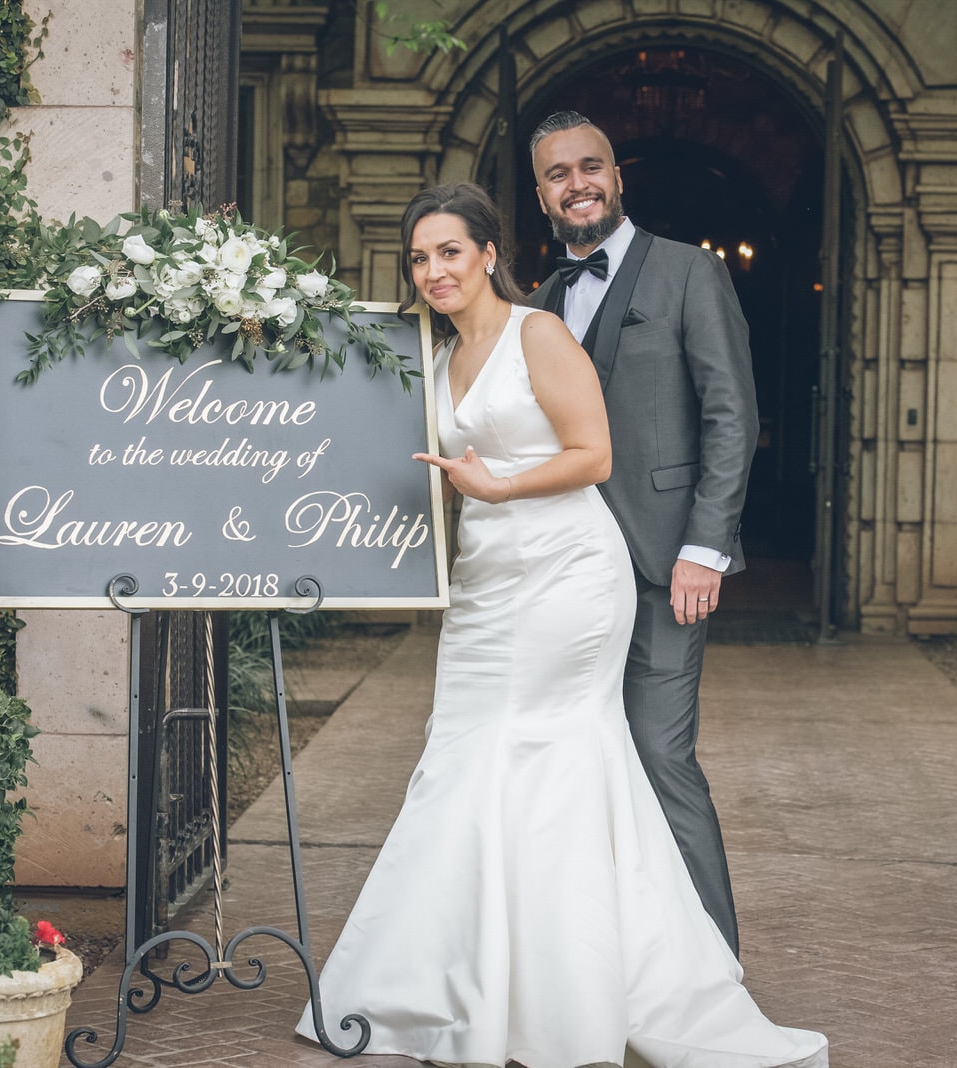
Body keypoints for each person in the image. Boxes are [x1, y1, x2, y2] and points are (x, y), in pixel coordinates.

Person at [294, 182, 826, 1068]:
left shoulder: (538, 333)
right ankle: (456, 982)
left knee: (549, 759)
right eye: (419, 258)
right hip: (486, 583)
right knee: (462, 755)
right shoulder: (430, 356)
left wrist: (500, 486)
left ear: (491, 254)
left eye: (450, 252)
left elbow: (595, 454)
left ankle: (568, 993)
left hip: (568, 575)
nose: (434, 271)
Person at [526, 110, 756, 955]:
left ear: (618, 178)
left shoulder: (690, 273)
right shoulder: (545, 299)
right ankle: (604, 953)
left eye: (592, 166)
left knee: (661, 755)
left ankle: (714, 960)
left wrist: (706, 548)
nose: (577, 182)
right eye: (559, 172)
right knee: (580, 764)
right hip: (565, 574)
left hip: (665, 566)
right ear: (542, 191)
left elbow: (731, 413)